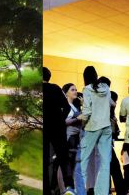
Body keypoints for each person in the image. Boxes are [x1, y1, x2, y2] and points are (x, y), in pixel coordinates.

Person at [79, 66, 113, 195]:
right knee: (105, 162)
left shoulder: (87, 89)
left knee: (83, 159)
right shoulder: (106, 88)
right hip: (106, 127)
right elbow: (110, 104)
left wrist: (82, 124)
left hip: (93, 126)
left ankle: (80, 190)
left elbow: (87, 111)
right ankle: (102, 192)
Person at [43, 67, 75, 195]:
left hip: (43, 128)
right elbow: (66, 107)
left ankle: (46, 189)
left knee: (45, 159)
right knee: (63, 158)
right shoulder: (55, 88)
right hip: (58, 128)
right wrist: (60, 119)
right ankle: (69, 187)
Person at [63, 83, 85, 195]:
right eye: (72, 90)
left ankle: (74, 190)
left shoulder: (75, 106)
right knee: (69, 166)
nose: (75, 91)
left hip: (77, 139)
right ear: (66, 92)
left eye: (76, 89)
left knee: (76, 167)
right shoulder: (65, 106)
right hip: (69, 138)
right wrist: (76, 118)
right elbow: (63, 122)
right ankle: (69, 189)